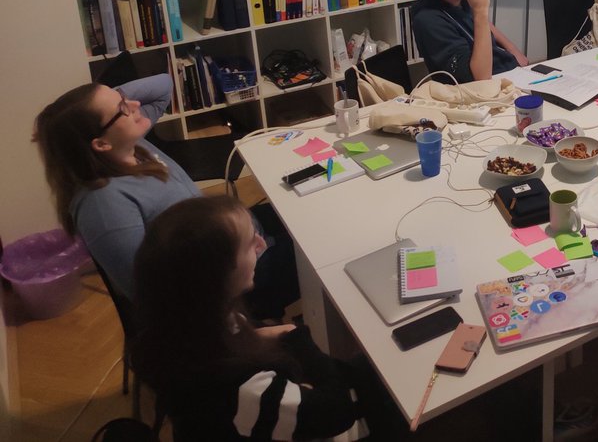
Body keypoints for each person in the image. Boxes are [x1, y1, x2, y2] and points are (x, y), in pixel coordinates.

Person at [131, 196, 403, 441]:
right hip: (337, 422)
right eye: (250, 244)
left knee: (378, 365)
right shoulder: (234, 385)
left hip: (301, 405)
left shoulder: (190, 321)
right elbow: (334, 413)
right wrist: (296, 335)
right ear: (217, 275)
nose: (262, 245)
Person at [33, 74, 298, 319]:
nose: (135, 104)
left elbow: (164, 86)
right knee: (326, 246)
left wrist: (114, 100)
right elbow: (150, 293)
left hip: (241, 239)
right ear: (101, 144)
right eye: (123, 109)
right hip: (234, 282)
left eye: (125, 100)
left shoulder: (131, 145)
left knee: (311, 208)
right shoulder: (103, 203)